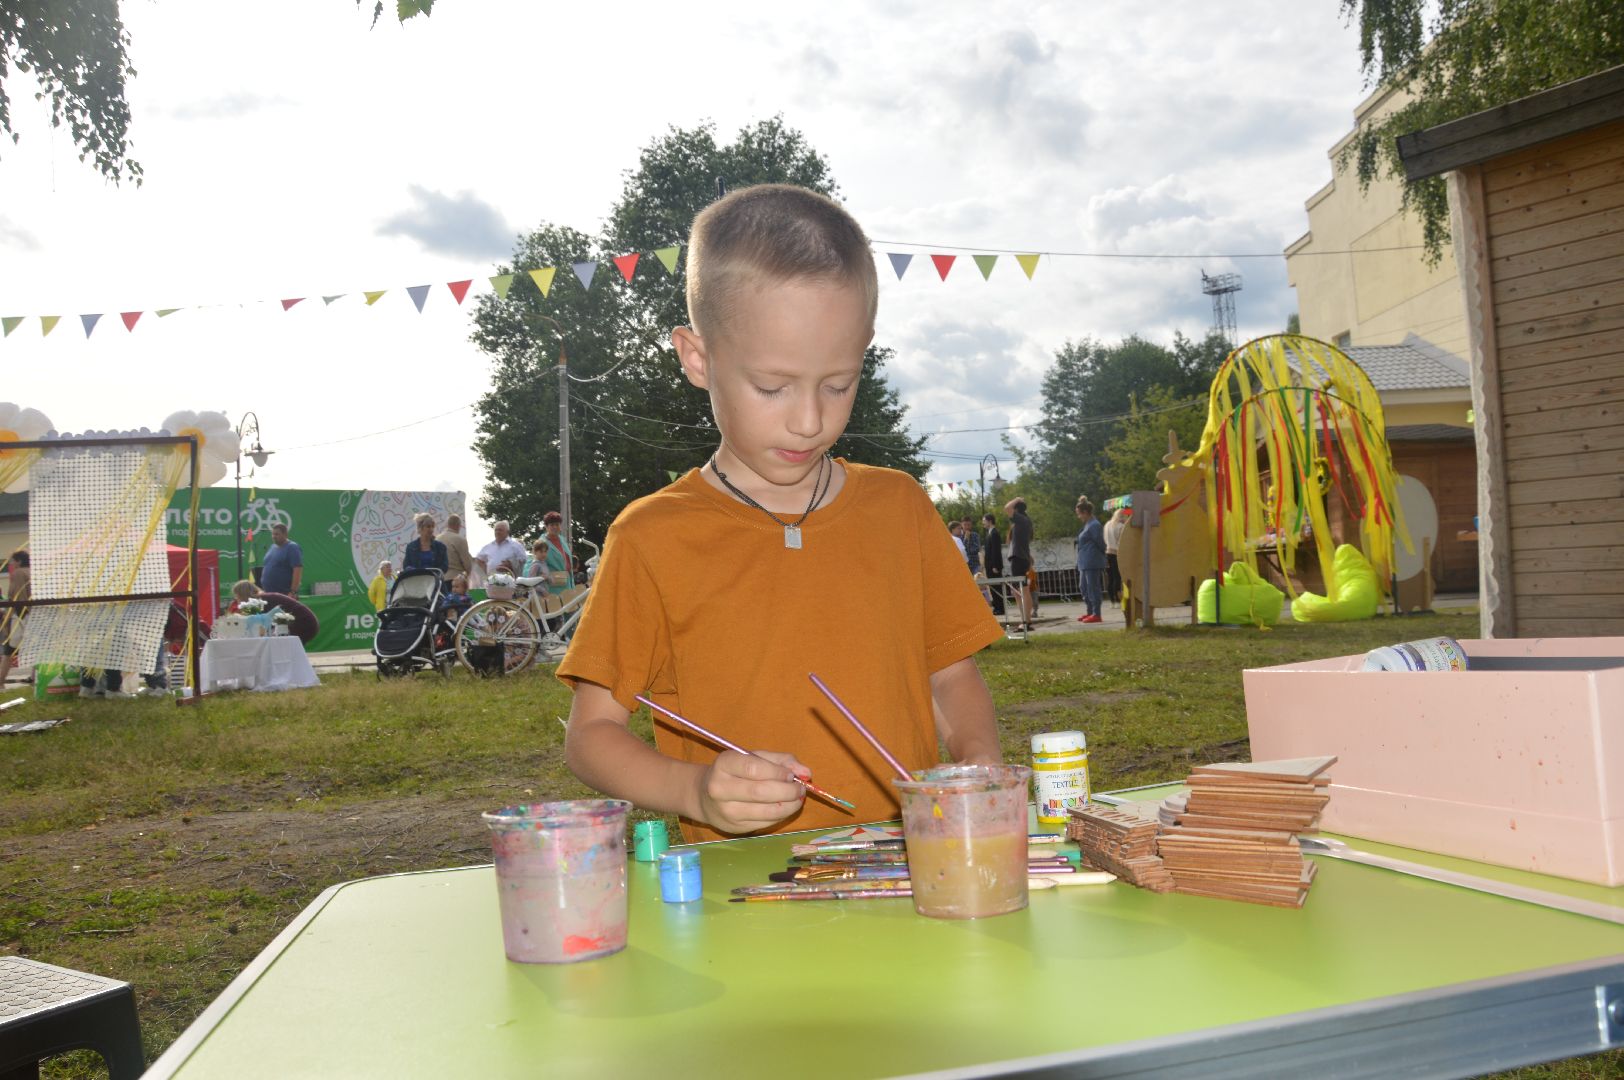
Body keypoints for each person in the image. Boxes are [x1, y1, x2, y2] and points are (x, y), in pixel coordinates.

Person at [558, 183, 1005, 845]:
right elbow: (590, 736)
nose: (809, 419)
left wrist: (978, 765)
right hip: (739, 899)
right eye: (772, 387)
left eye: (839, 383)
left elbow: (951, 678)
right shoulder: (652, 537)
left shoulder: (899, 509)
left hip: (909, 870)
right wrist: (696, 791)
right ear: (698, 358)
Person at [232, 580, 319, 645]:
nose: (236, 599)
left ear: (242, 595)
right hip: (307, 623)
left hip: (302, 623)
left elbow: (255, 626)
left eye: (237, 596)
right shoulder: (264, 598)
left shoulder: (259, 601)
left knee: (281, 647)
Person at [1005, 497, 1036, 630]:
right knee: (1022, 591)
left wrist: (1016, 498)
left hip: (1018, 558)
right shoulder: (1026, 520)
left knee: (1021, 591)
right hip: (1022, 558)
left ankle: (1026, 621)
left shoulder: (1021, 519)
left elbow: (1007, 508)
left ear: (1016, 509)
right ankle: (1026, 621)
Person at [0, 550, 30, 687]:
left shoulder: (18, 573)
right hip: (33, 615)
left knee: (8, 652)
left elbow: (18, 596)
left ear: (18, 561)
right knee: (37, 650)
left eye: (12, 561)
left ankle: (0, 682)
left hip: (19, 617)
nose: (11, 564)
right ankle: (36, 679)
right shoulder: (32, 572)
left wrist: (12, 617)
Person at [1074, 497, 1106, 623]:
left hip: (1092, 561)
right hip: (1084, 562)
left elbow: (1101, 543)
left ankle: (1096, 613)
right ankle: (1089, 611)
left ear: (1085, 513)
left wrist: (1103, 557)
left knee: (1093, 588)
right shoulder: (1088, 525)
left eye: (1079, 514)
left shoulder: (1094, 525)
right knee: (1083, 587)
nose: (1079, 517)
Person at [260, 523, 303, 595]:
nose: (273, 536)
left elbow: (297, 570)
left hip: (284, 595)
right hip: (268, 593)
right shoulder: (272, 547)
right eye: (273, 534)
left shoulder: (292, 547)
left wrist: (293, 592)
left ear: (285, 534)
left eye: (277, 534)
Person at [980, 513, 1005, 616]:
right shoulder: (989, 533)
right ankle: (997, 607)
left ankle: (1000, 608)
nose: (983, 523)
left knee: (997, 587)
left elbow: (996, 551)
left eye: (984, 521)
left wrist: (995, 565)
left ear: (990, 521)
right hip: (989, 566)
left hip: (994, 566)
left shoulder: (994, 533)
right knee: (993, 587)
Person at [438, 513, 474, 583]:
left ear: (447, 525)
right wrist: (469, 574)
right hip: (456, 579)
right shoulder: (460, 539)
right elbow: (467, 563)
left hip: (440, 578)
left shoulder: (437, 539)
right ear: (458, 526)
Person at [1103, 507, 1128, 606]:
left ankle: (1112, 600)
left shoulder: (1107, 524)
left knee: (1111, 578)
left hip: (1108, 552)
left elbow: (1105, 539)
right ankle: (1118, 600)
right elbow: (1123, 541)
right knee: (1118, 577)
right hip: (1118, 553)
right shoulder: (1121, 526)